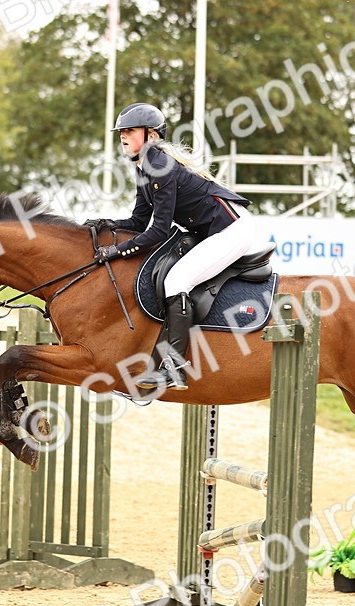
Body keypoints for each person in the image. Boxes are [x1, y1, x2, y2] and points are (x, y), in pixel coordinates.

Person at [83, 103, 261, 391]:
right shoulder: (144, 168)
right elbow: (139, 221)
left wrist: (116, 251)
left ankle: (174, 366)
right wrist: (107, 225)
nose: (123, 137)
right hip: (211, 230)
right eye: (121, 133)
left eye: (129, 131)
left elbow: (159, 230)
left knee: (177, 279)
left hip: (233, 230)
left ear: (151, 135)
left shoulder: (158, 164)